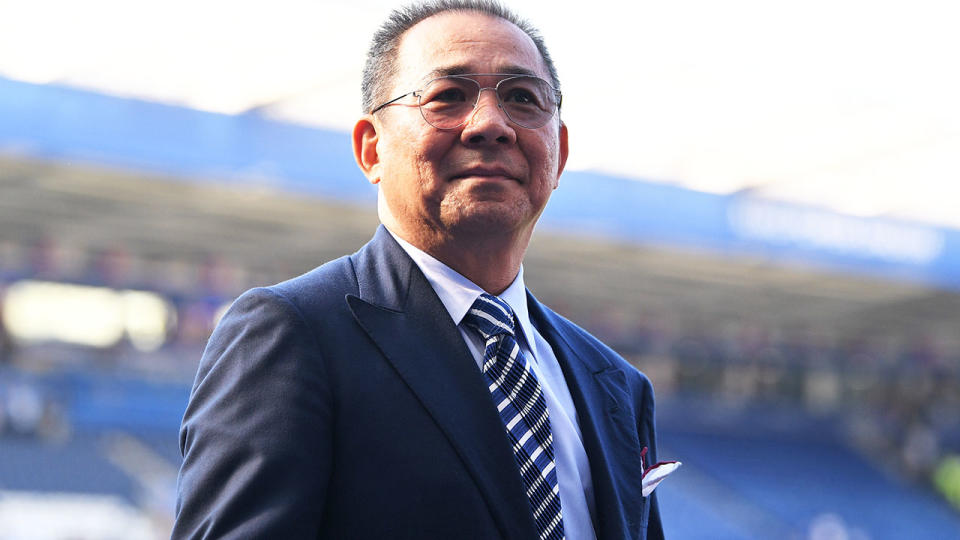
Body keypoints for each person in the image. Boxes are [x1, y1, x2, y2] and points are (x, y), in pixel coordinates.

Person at [172, 1, 665, 538]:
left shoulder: (614, 383)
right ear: (371, 149)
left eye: (523, 98)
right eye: (448, 96)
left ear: (560, 153)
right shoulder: (293, 334)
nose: (492, 125)